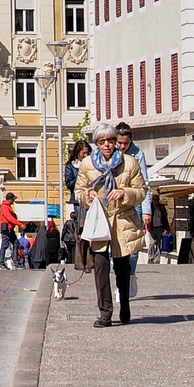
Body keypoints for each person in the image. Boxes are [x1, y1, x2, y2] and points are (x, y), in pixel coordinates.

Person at [74, 123, 147, 326]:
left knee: (123, 268)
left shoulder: (130, 163)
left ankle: (124, 304)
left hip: (122, 220)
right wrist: (88, 196)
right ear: (97, 143)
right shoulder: (88, 164)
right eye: (102, 141)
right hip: (99, 221)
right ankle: (105, 312)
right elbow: (78, 192)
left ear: (116, 142)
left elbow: (142, 191)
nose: (107, 145)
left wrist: (125, 192)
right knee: (100, 267)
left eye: (111, 141)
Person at [115, 123, 152, 296]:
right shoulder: (110, 155)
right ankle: (118, 281)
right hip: (115, 206)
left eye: (125, 143)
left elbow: (145, 183)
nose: (122, 147)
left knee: (134, 246)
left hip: (135, 204)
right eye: (119, 143)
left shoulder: (138, 155)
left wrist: (147, 211)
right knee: (114, 247)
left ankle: (130, 275)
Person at [63, 140, 91, 230]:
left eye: (88, 153)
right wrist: (80, 176)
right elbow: (69, 183)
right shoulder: (70, 166)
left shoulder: (92, 165)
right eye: (84, 153)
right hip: (79, 201)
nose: (86, 156)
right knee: (84, 226)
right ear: (78, 153)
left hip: (92, 197)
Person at [0, 191, 25, 270]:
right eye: (13, 199)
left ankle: (16, 262)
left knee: (16, 243)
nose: (13, 201)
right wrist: (20, 224)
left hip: (10, 229)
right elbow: (9, 218)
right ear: (9, 199)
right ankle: (1, 263)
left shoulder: (8, 207)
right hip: (6, 229)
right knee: (4, 246)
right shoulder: (5, 207)